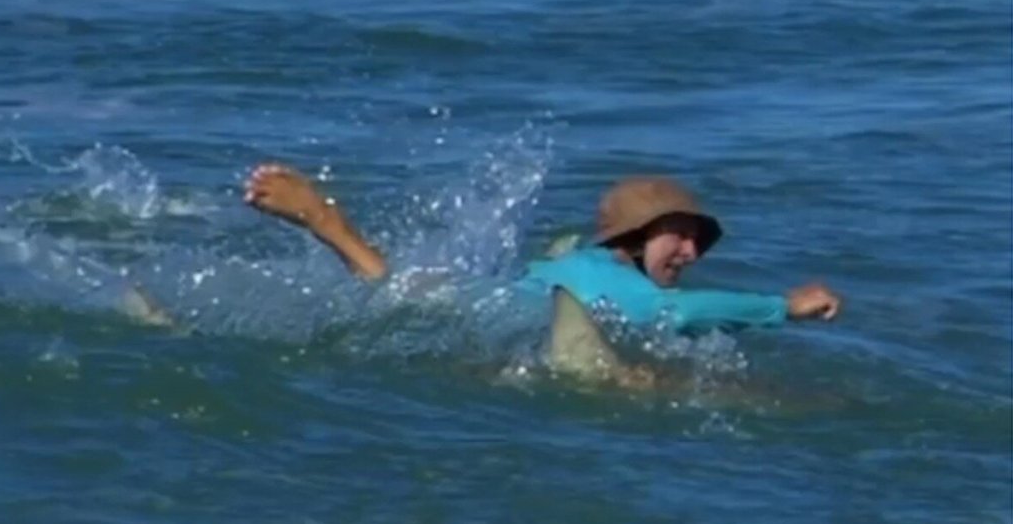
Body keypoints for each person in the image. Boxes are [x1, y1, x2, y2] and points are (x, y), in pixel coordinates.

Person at [243, 162, 841, 334]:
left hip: (503, 294)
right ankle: (326, 220)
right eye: (675, 233)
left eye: (696, 238)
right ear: (632, 240)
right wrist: (781, 307)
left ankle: (331, 225)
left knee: (397, 285)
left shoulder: (591, 264)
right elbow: (679, 313)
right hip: (485, 312)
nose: (689, 250)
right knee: (391, 290)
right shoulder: (622, 285)